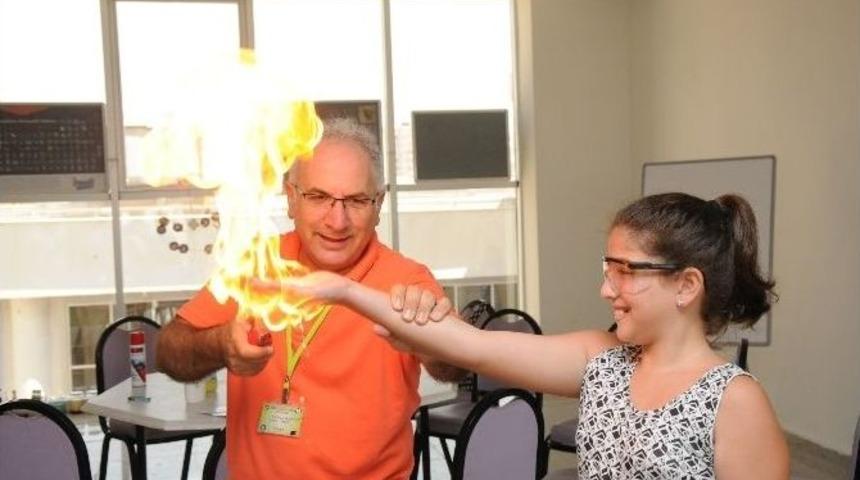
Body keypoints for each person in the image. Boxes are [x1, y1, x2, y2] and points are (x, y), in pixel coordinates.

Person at [267, 192, 791, 479]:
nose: (606, 289)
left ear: (686, 285)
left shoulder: (734, 402)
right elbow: (469, 344)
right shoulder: (601, 359)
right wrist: (343, 291)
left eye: (625, 272)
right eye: (606, 269)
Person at [156, 117, 461, 479]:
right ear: (291, 198)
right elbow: (169, 351)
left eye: (357, 200)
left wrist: (429, 341)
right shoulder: (256, 264)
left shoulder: (407, 281)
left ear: (378, 203)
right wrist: (221, 343)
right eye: (318, 197)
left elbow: (455, 368)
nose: (337, 220)